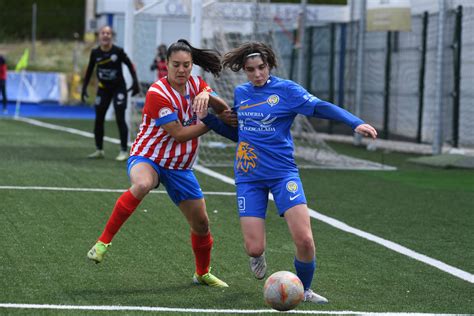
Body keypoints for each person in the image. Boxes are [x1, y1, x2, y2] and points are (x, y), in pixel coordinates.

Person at [197, 41, 378, 303]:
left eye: (261, 67)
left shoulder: (287, 90)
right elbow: (239, 134)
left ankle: (304, 289)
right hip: (249, 177)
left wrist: (355, 122)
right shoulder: (241, 93)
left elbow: (321, 107)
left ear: (269, 65)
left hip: (283, 174)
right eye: (251, 69)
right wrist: (208, 119)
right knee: (254, 247)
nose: (257, 74)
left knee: (305, 239)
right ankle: (258, 256)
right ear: (244, 71)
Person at [87, 39, 230, 288]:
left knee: (202, 224)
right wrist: (211, 123)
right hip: (148, 157)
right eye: (176, 65)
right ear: (167, 64)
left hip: (180, 167)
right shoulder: (157, 93)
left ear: (192, 65)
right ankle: (102, 243)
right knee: (142, 184)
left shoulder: (198, 85)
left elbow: (224, 108)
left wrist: (209, 94)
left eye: (186, 65)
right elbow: (178, 134)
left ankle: (202, 273)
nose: (182, 70)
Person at [81, 25, 140, 161]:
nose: (106, 35)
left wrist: (135, 83)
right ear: (99, 36)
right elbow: (90, 70)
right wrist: (84, 88)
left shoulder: (118, 51)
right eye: (103, 33)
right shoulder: (95, 53)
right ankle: (99, 150)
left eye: (108, 33)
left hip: (119, 88)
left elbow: (130, 66)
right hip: (103, 89)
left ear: (111, 36)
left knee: (120, 117)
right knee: (99, 118)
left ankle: (124, 150)